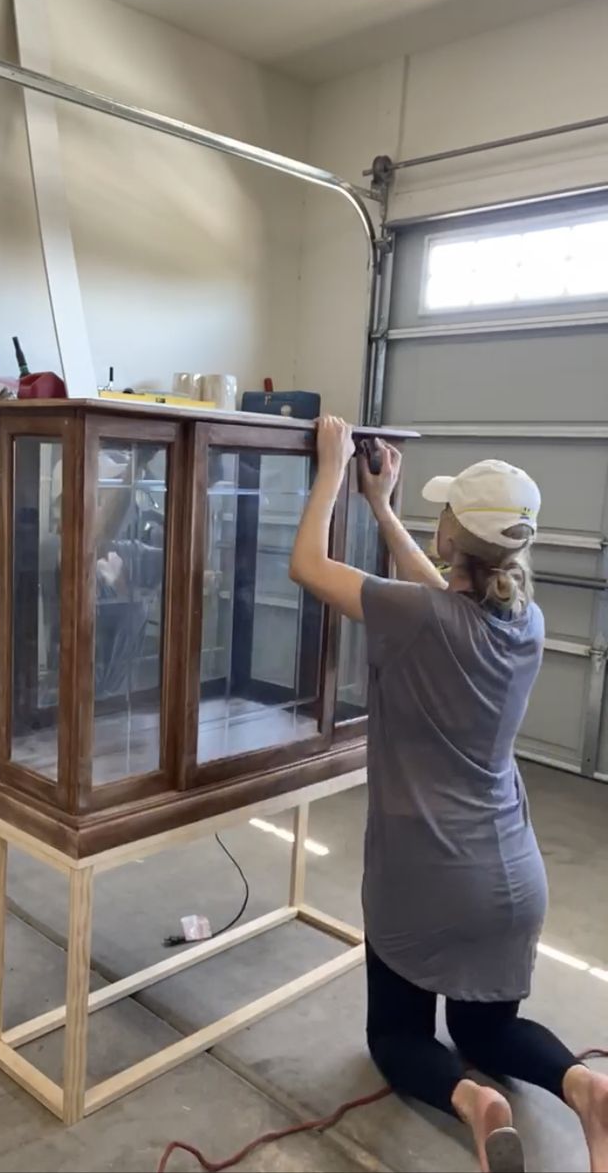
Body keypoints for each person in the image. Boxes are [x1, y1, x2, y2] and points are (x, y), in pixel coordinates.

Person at [289, 416, 608, 1173]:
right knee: (488, 1033)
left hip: (424, 876)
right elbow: (446, 599)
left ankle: (476, 1101)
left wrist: (332, 470)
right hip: (513, 878)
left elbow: (307, 563)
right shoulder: (525, 624)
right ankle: (583, 1083)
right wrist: (383, 505)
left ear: (449, 539)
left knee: (396, 1039)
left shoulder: (417, 616)